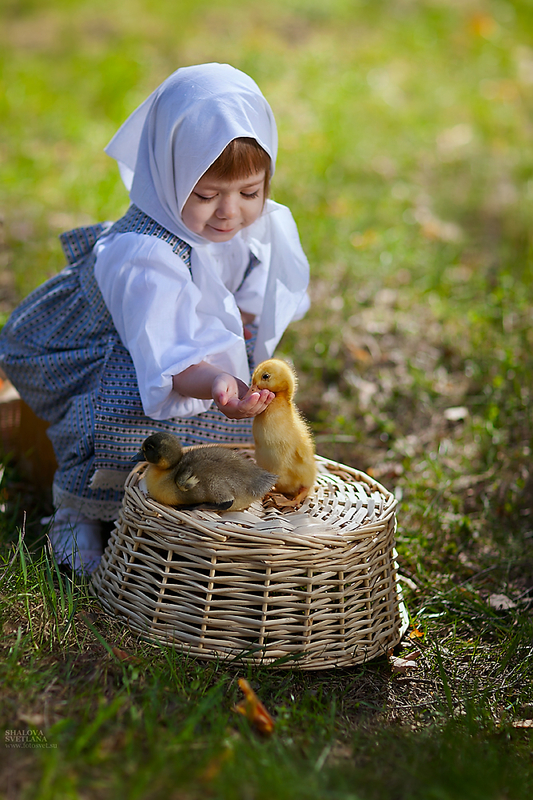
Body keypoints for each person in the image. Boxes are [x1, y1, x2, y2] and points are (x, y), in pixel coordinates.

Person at [0, 63, 310, 573]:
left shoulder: (250, 227)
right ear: (166, 177)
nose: (230, 212)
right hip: (102, 350)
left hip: (183, 350)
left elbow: (251, 297)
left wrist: (246, 347)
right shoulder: (144, 257)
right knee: (128, 401)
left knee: (244, 407)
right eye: (206, 194)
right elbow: (169, 359)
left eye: (250, 192)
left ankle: (198, 493)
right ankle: (78, 510)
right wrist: (219, 382)